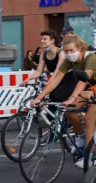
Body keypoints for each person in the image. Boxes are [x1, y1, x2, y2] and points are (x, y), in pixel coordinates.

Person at [32, 34, 96, 168]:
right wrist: (39, 97)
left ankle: (90, 157)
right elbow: (55, 80)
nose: (68, 54)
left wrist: (72, 98)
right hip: (87, 89)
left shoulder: (91, 57)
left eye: (71, 50)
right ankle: (82, 136)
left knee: (90, 118)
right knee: (70, 110)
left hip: (90, 86)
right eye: (66, 51)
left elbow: (84, 80)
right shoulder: (68, 61)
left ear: (80, 48)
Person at [21, 30, 76, 103]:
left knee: (55, 96)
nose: (42, 41)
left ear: (52, 40)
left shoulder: (61, 52)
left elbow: (58, 70)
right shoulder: (43, 54)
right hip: (55, 80)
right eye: (41, 39)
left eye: (45, 39)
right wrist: (28, 78)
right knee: (51, 99)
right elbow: (38, 71)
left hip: (66, 79)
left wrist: (49, 82)